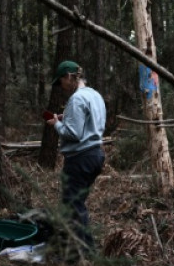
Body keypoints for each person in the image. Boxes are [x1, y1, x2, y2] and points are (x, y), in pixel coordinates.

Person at [45, 60, 106, 256]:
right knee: (75, 204)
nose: (61, 87)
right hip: (96, 155)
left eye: (61, 81)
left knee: (74, 205)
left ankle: (86, 254)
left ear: (69, 77)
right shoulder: (95, 95)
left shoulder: (77, 99)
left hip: (80, 158)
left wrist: (55, 123)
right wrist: (66, 116)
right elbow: (88, 123)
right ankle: (74, 249)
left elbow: (73, 133)